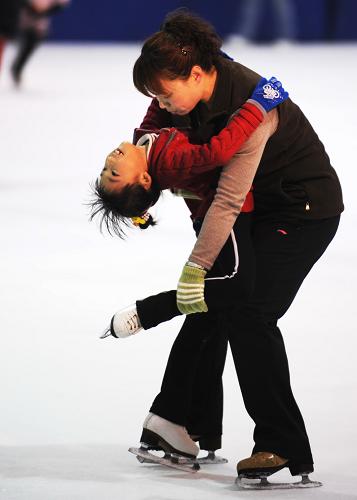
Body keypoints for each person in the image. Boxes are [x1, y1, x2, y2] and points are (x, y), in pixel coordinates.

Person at [105, 9, 343, 481]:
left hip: (299, 210)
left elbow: (229, 197)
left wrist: (197, 267)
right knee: (215, 306)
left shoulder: (253, 109)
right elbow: (166, 130)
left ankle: (280, 444)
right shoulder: (190, 87)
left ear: (196, 74)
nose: (161, 104)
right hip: (255, 209)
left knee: (248, 311)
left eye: (164, 93)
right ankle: (176, 422)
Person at [10, 0, 70, 85]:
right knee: (21, 38)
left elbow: (61, 4)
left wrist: (48, 8)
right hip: (21, 17)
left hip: (39, 20)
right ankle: (17, 68)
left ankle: (17, 69)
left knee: (31, 43)